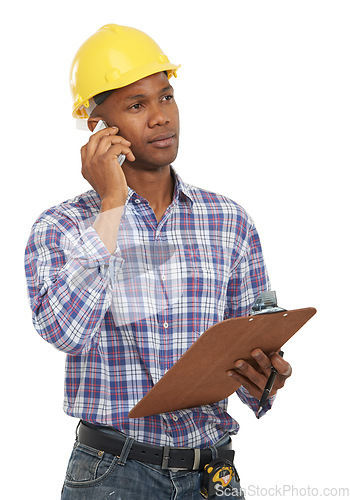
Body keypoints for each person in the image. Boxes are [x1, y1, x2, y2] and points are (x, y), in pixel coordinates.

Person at [24, 24, 292, 499]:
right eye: (136, 105)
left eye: (165, 97)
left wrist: (264, 379)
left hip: (214, 476)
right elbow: (63, 331)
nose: (160, 118)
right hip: (112, 476)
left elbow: (252, 347)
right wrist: (111, 205)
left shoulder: (228, 221)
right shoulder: (61, 227)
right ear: (98, 127)